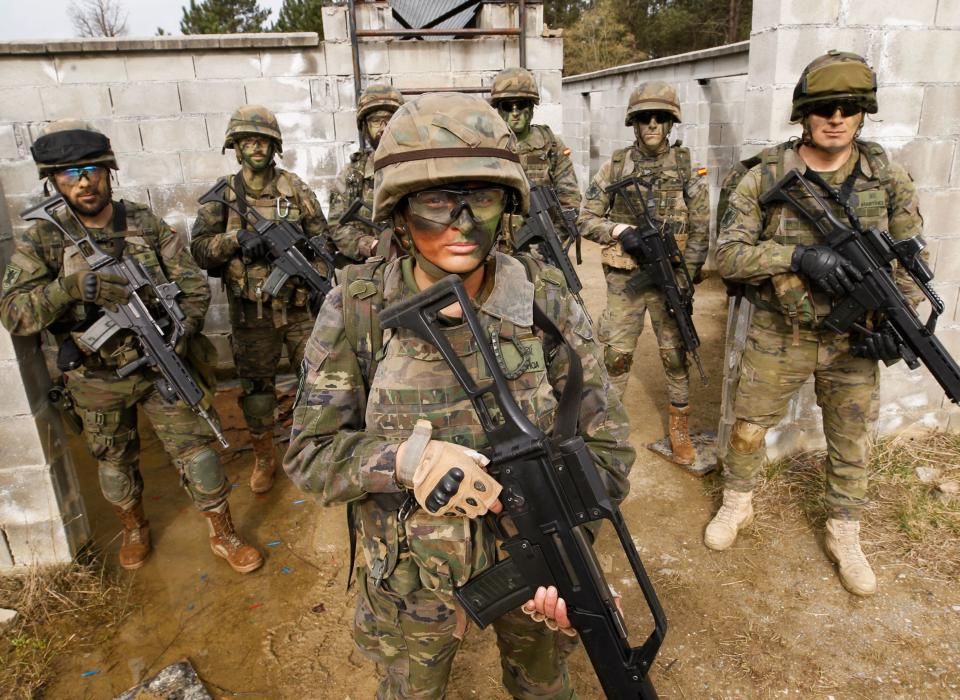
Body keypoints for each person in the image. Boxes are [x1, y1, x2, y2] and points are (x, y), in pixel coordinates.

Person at [283, 92, 634, 698]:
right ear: (398, 212)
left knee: (546, 689)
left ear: (510, 207)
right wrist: (402, 461)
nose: (462, 224)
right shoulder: (360, 307)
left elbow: (607, 448)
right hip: (412, 578)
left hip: (534, 564)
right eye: (436, 202)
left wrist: (569, 548)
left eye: (482, 199)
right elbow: (310, 454)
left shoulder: (544, 298)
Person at [706, 50, 926, 597]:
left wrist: (895, 323)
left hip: (854, 342)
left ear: (863, 113)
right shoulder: (765, 178)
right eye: (825, 106)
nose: (836, 117)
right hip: (780, 335)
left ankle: (844, 531)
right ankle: (738, 502)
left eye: (849, 107)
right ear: (804, 113)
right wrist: (796, 257)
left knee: (851, 439)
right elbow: (727, 257)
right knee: (749, 426)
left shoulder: (888, 177)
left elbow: (913, 265)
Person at [0, 120, 262, 573]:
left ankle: (223, 533)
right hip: (96, 376)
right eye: (69, 173)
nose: (84, 181)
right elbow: (14, 313)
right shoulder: (43, 238)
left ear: (109, 171)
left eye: (92, 170)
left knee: (200, 452)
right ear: (53, 181)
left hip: (161, 363)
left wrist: (184, 327)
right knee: (114, 461)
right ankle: (134, 527)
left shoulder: (141, 221)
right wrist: (70, 289)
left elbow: (192, 285)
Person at [190, 105, 330, 494]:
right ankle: (265, 457)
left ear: (275, 146)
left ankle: (316, 450)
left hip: (300, 308)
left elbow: (323, 239)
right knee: (256, 392)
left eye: (263, 140)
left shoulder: (295, 188)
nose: (256, 147)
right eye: (248, 140)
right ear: (235, 147)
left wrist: (317, 275)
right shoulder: (224, 195)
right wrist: (235, 240)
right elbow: (198, 250)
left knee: (320, 381)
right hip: (252, 314)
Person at [577, 80, 709, 467]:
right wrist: (619, 231)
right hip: (626, 280)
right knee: (617, 354)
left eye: (661, 118)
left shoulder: (686, 167)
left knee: (676, 353)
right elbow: (584, 217)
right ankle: (606, 428)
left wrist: (687, 276)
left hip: (671, 277)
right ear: (633, 123)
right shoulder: (615, 166)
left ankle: (679, 427)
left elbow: (700, 226)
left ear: (671, 124)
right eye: (644, 118)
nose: (652, 125)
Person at [489, 67, 581, 249]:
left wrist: (552, 239)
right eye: (508, 106)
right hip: (495, 247)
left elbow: (569, 198)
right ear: (499, 110)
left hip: (542, 243)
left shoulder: (551, 145)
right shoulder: (486, 146)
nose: (515, 113)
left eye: (521, 105)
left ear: (531, 108)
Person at [327, 83, 405, 262]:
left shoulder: (418, 167)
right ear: (365, 127)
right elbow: (336, 227)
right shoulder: (352, 175)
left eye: (390, 120)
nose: (384, 128)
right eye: (376, 121)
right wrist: (370, 245)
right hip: (370, 269)